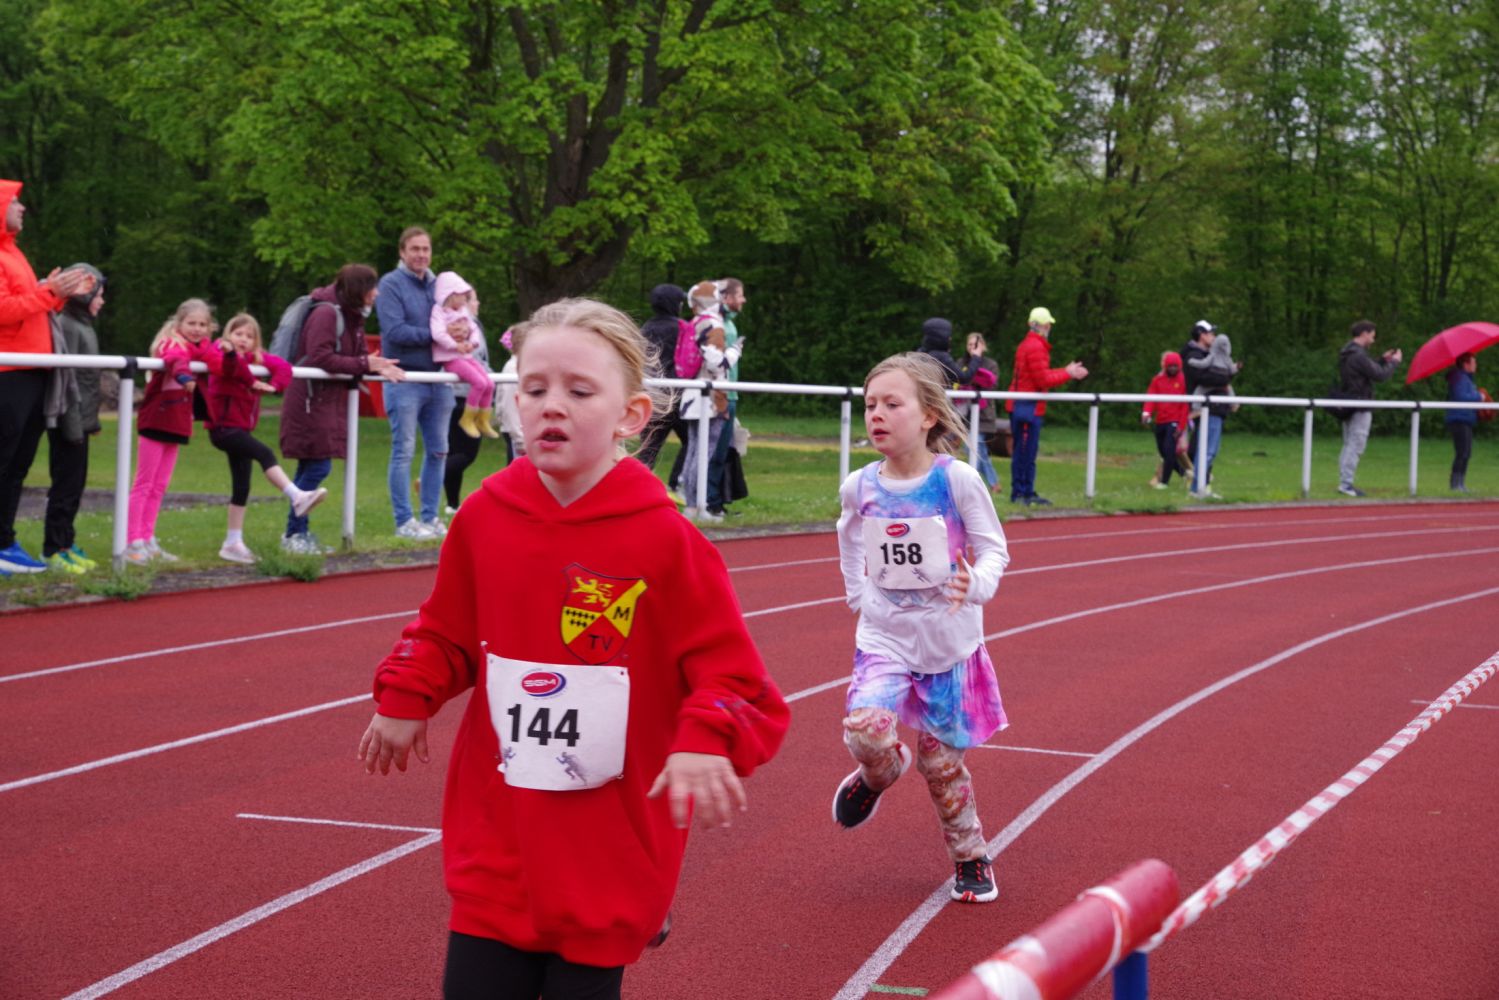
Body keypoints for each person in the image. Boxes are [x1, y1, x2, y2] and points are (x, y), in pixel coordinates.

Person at [357, 297, 788, 1000]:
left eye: (580, 391)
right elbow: (446, 632)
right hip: (497, 831)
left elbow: (735, 679)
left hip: (606, 848)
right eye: (534, 389)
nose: (551, 405)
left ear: (631, 415)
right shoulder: (485, 516)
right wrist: (407, 693)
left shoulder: (667, 541)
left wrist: (705, 742)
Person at [832, 352, 1010, 904]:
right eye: (870, 405)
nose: (876, 415)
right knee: (865, 732)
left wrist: (975, 584)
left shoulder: (956, 480)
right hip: (884, 636)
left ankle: (970, 855)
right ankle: (879, 775)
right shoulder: (859, 485)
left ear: (929, 414)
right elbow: (848, 536)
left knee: (941, 764)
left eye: (892, 404)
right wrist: (857, 593)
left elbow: (994, 550)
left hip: (948, 642)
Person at [0, 180, 96, 576]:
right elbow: (4, 311)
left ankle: (4, 542)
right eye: (15, 202)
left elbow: (27, 308)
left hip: (32, 372)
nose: (22, 208)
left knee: (17, 465)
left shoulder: (14, 254)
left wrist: (56, 294)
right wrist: (48, 293)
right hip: (9, 374)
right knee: (5, 462)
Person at [280, 264, 404, 554]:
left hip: (324, 400)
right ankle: (294, 533)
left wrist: (373, 365)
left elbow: (353, 357)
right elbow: (320, 356)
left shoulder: (351, 316)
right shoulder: (327, 314)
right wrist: (365, 364)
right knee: (318, 465)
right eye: (371, 287)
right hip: (311, 399)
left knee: (310, 466)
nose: (376, 293)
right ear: (357, 289)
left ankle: (297, 534)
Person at [204, 313, 328, 564]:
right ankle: (297, 496)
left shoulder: (256, 358)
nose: (243, 339)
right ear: (229, 334)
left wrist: (274, 386)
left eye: (249, 336)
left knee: (242, 486)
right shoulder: (220, 351)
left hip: (241, 429)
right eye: (238, 334)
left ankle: (232, 543)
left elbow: (284, 367)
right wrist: (251, 380)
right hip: (223, 428)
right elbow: (232, 369)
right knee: (265, 454)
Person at [124, 298, 224, 565]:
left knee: (159, 486)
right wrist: (184, 376)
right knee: (144, 484)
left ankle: (148, 538)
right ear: (179, 323)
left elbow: (218, 366)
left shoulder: (200, 350)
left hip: (178, 423)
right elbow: (175, 360)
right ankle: (132, 541)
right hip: (156, 420)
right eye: (192, 323)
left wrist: (220, 350)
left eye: (202, 324)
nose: (197, 329)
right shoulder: (171, 344)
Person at [376, 226, 456, 539]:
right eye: (415, 249)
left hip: (438, 378)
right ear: (402, 252)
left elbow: (457, 316)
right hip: (404, 378)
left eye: (426, 249)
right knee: (404, 450)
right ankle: (404, 521)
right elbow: (395, 331)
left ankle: (430, 517)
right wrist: (439, 336)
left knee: (439, 451)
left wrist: (457, 334)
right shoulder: (390, 284)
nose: (421, 255)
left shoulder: (439, 285)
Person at [41, 263, 106, 574]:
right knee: (65, 488)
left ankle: (67, 543)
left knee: (75, 486)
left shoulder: (84, 326)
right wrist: (73, 427)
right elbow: (67, 382)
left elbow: (89, 382)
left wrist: (91, 422)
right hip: (69, 424)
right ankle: (54, 549)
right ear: (85, 294)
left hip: (80, 423)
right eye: (99, 294)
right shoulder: (68, 324)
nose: (102, 301)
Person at [1005, 306, 1088, 506]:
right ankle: (1022, 493)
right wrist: (1068, 373)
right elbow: (1043, 380)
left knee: (1025, 451)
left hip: (1024, 405)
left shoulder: (1029, 344)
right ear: (1043, 326)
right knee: (1026, 451)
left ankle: (1024, 492)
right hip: (1027, 406)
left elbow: (1041, 376)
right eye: (1048, 324)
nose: (1049, 328)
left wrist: (1066, 371)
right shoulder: (1036, 346)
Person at [679, 280, 743, 522]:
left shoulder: (694, 322)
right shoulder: (713, 325)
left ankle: (691, 506)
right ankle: (698, 507)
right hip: (711, 398)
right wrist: (735, 351)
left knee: (694, 450)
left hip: (693, 395)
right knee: (704, 452)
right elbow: (718, 364)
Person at [443, 294, 499, 515]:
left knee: (455, 451)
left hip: (456, 394)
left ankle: (452, 504)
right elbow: (472, 359)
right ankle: (431, 478)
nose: (478, 303)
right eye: (474, 299)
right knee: (467, 453)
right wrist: (491, 376)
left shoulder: (457, 322)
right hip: (467, 398)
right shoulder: (465, 325)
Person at [1335, 319, 1402, 498]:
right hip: (1360, 405)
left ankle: (1344, 481)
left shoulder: (1347, 352)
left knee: (1349, 444)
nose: (1373, 339)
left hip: (1349, 402)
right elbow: (1380, 375)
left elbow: (1366, 371)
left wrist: (1382, 360)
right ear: (1364, 333)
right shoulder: (1358, 355)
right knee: (1356, 445)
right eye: (1372, 335)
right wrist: (1394, 363)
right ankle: (1346, 484)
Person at [430, 271, 498, 441]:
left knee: (489, 384)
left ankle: (483, 418)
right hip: (450, 358)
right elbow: (438, 334)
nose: (464, 301)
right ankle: (468, 418)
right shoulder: (439, 311)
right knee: (479, 383)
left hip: (466, 356)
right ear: (451, 295)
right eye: (462, 296)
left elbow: (473, 329)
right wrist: (455, 345)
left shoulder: (463, 312)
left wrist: (472, 343)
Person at [634, 283, 689, 482]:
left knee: (648, 448)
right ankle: (676, 481)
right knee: (694, 442)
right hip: (679, 396)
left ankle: (637, 486)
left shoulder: (645, 329)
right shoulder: (682, 328)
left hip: (654, 396)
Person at [1181, 320, 1237, 498]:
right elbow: (1207, 378)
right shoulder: (1193, 355)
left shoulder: (1209, 354)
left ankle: (1200, 487)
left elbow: (1222, 376)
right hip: (1207, 408)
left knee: (1207, 450)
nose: (1214, 336)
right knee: (1207, 451)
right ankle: (1198, 488)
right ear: (1201, 335)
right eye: (1211, 333)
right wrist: (1225, 376)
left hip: (1214, 408)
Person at [706, 278, 748, 514]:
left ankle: (717, 501)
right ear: (726, 297)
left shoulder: (729, 322)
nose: (743, 299)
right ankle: (709, 503)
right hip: (720, 396)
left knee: (723, 452)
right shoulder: (716, 323)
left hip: (731, 395)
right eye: (740, 295)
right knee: (714, 451)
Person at [955, 332, 1002, 494]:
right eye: (969, 345)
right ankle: (988, 483)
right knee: (974, 450)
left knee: (976, 449)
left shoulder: (991, 364)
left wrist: (977, 380)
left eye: (975, 345)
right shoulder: (960, 363)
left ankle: (990, 483)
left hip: (983, 414)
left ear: (983, 346)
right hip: (963, 415)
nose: (972, 348)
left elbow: (992, 386)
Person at [1141, 351, 1189, 490]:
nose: (1173, 368)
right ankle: (1185, 473)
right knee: (1164, 452)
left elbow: (1185, 406)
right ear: (1165, 366)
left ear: (1179, 366)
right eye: (1170, 366)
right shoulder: (1157, 380)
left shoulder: (1184, 381)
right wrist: (1146, 413)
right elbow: (1151, 398)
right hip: (1160, 420)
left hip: (1174, 421)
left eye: (1175, 366)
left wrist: (1181, 426)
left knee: (1169, 451)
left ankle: (1164, 483)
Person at [1445, 352, 1481, 493]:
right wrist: (1479, 396)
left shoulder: (1465, 378)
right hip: (1459, 418)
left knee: (1466, 452)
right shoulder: (1459, 378)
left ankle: (1460, 483)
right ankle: (1455, 484)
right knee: (1463, 452)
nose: (1476, 365)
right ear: (1466, 364)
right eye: (1473, 362)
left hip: (1465, 418)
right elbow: (1461, 396)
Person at [916, 317, 961, 383]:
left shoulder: (920, 353)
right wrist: (975, 356)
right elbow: (963, 378)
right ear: (942, 336)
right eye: (948, 336)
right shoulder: (941, 356)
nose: (950, 338)